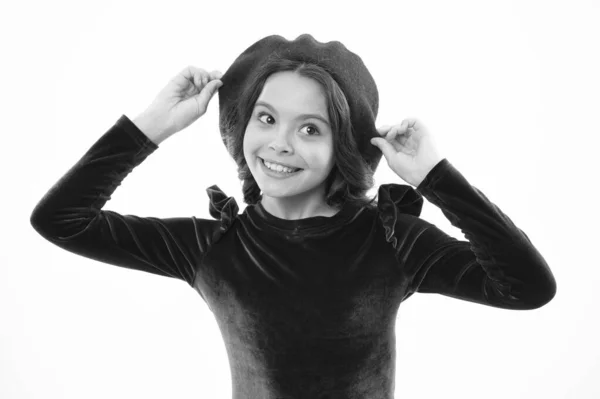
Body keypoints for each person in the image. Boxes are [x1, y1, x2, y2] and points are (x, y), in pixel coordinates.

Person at [30, 33, 557, 399]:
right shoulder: (213, 246)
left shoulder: (392, 238)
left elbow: (526, 286)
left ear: (344, 147)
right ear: (241, 128)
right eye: (266, 118)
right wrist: (151, 125)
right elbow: (61, 220)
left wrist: (437, 177)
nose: (279, 144)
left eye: (310, 129)